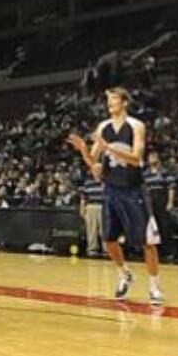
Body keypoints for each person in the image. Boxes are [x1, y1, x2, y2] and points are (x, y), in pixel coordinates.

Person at [68, 87, 162, 304]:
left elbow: (136, 158)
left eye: (113, 99)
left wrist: (109, 147)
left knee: (147, 241)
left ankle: (155, 286)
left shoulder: (136, 126)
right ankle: (125, 274)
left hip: (134, 189)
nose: (109, 103)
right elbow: (94, 163)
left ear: (124, 102)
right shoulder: (102, 127)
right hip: (111, 190)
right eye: (107, 100)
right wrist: (84, 149)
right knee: (109, 239)